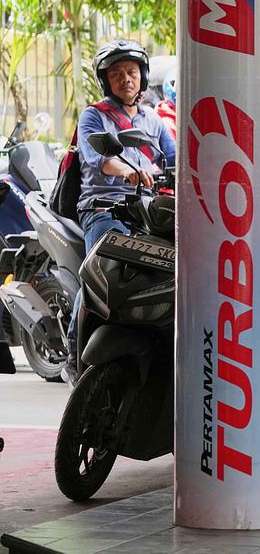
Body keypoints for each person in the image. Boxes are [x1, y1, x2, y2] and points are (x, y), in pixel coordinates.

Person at [62, 40, 176, 383]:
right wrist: (127, 170)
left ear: (141, 77)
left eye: (131, 72)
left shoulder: (152, 119)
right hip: (103, 207)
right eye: (116, 74)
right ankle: (72, 349)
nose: (125, 79)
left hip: (145, 209)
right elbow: (99, 160)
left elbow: (173, 158)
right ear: (106, 80)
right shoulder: (94, 116)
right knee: (99, 272)